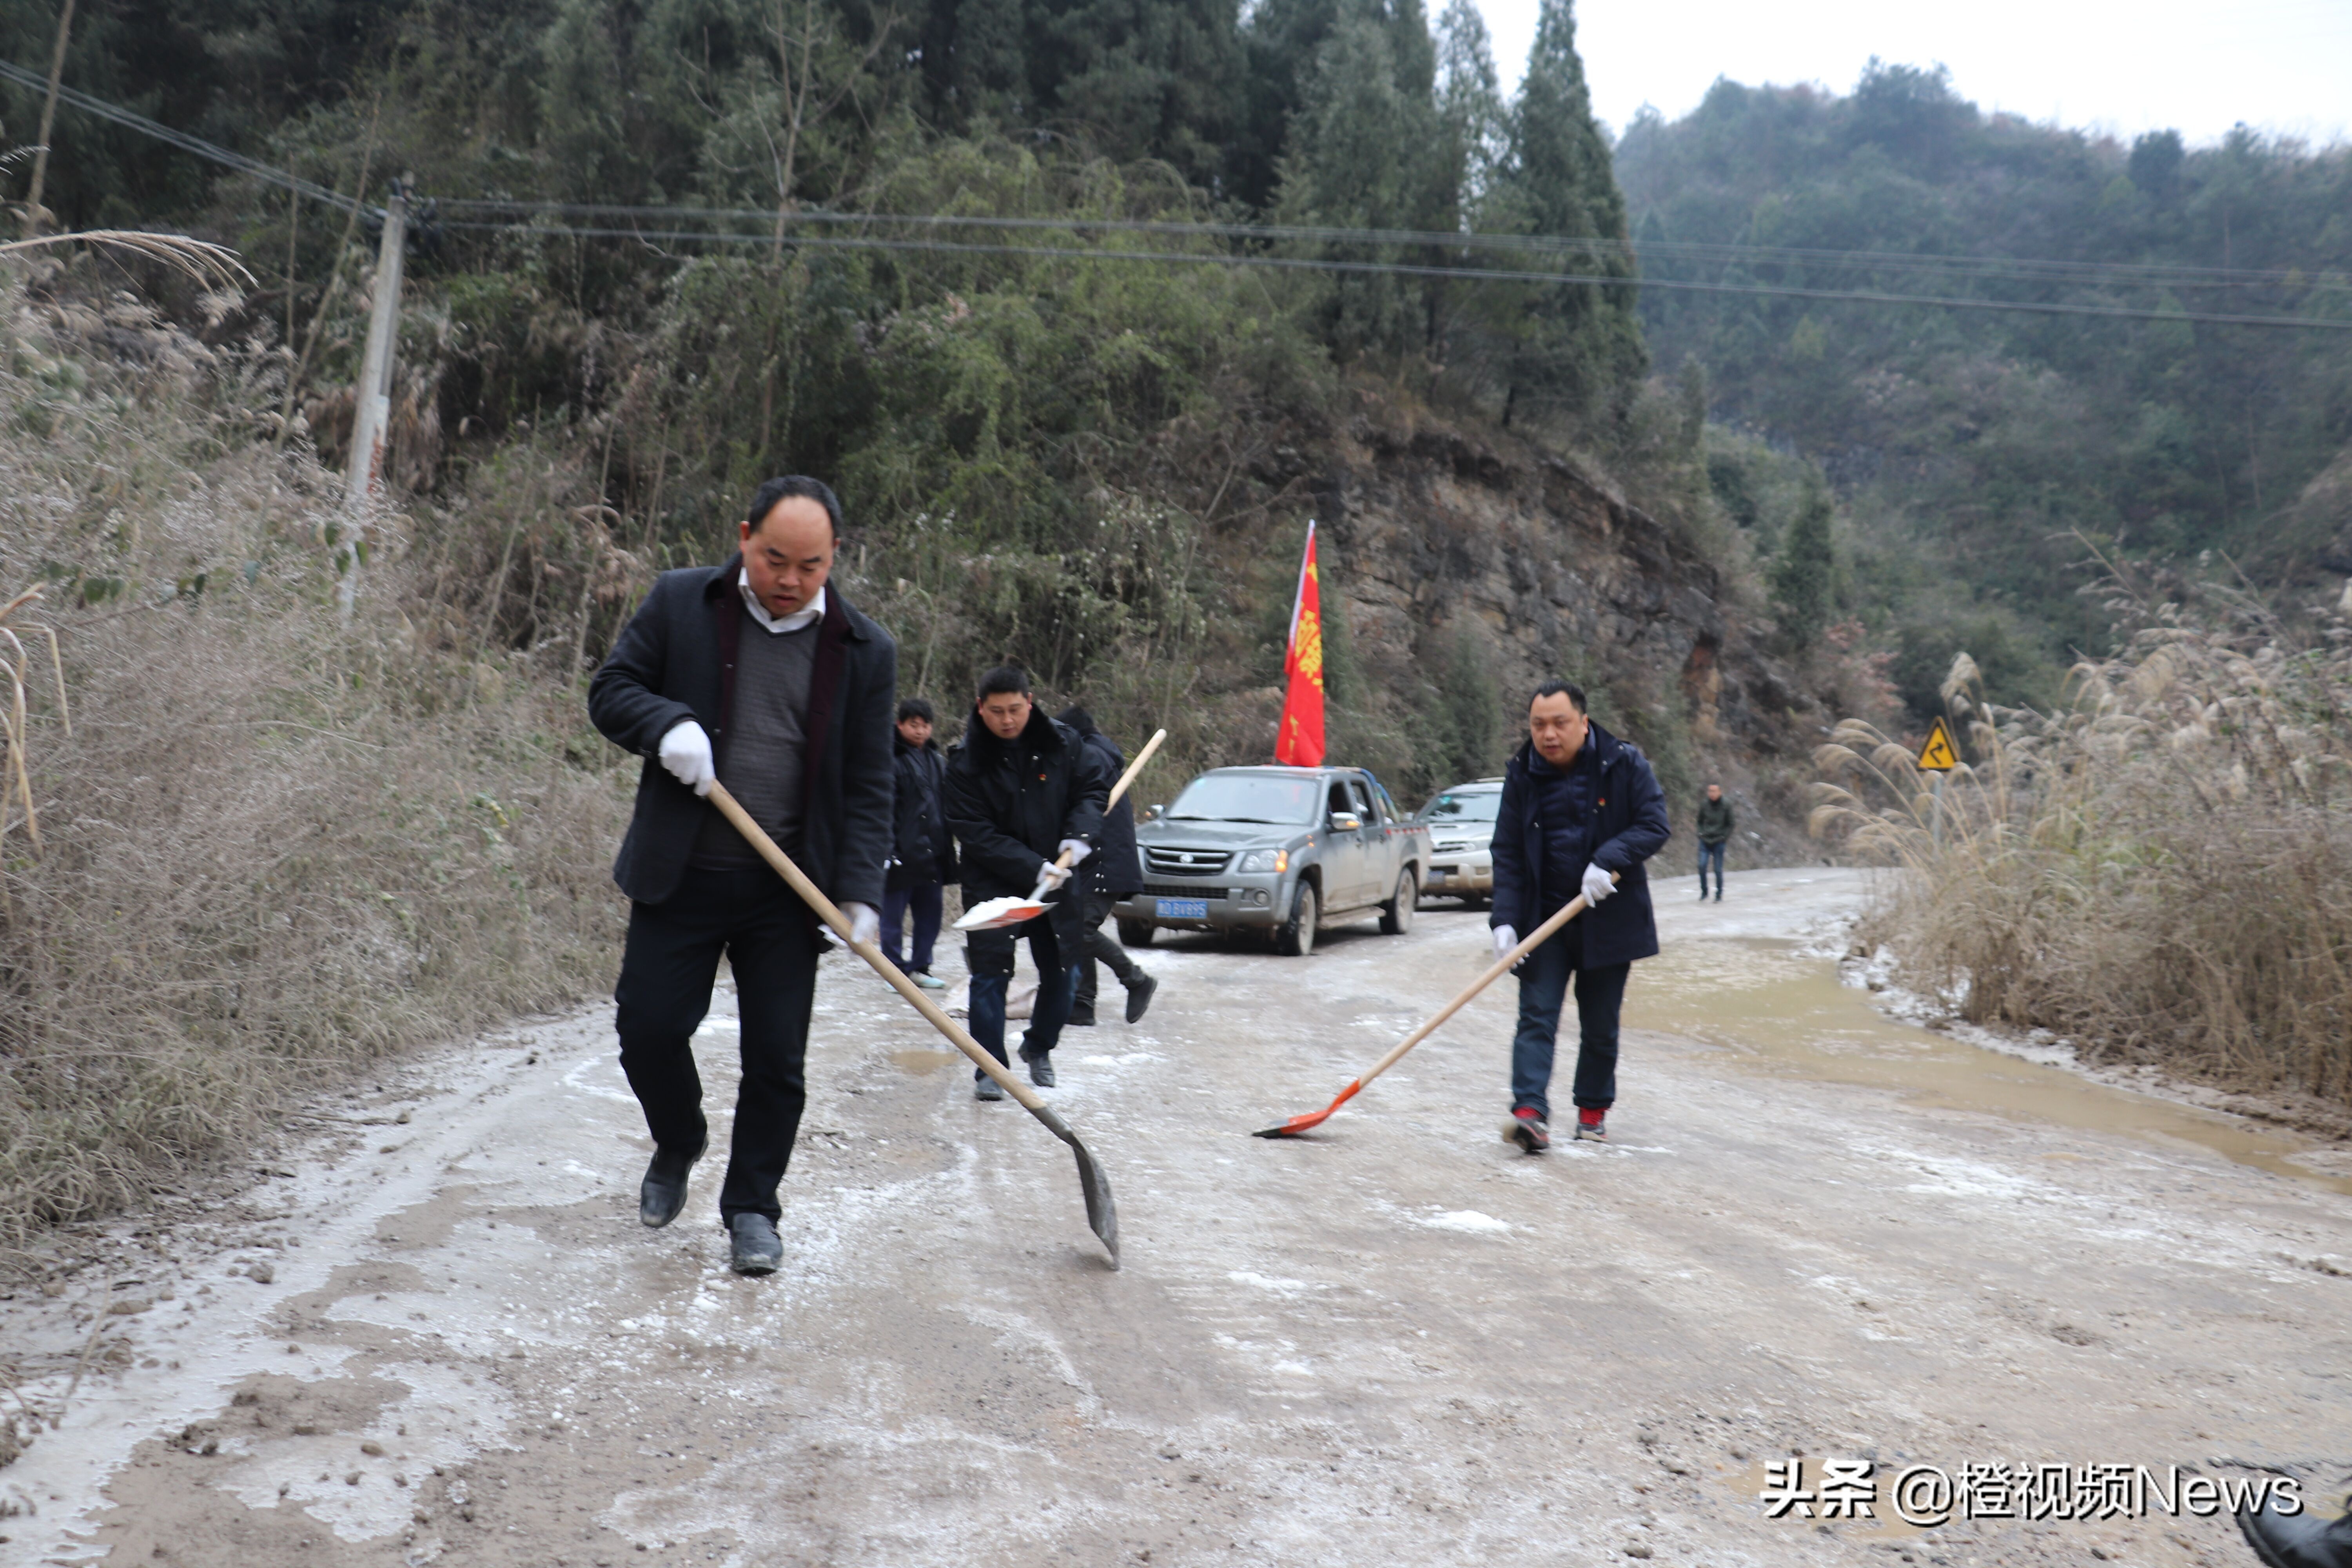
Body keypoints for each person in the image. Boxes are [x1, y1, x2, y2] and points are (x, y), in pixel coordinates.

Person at [587, 475, 895, 1275]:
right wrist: (667, 726)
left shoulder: (864, 651)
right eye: (773, 559)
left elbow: (869, 782)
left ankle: (753, 1208)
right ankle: (680, 1136)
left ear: (834, 560)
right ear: (744, 537)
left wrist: (859, 891)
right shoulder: (680, 603)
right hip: (682, 873)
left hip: (786, 892)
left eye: (810, 566)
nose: (789, 580)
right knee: (648, 1027)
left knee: (776, 1060)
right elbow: (611, 691)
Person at [1488, 681, 1670, 1153]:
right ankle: (1529, 1113)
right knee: (1536, 1017)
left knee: (1601, 1024)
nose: (1548, 734)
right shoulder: (1521, 774)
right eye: (1538, 725)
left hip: (1609, 920)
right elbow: (1507, 850)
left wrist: (1608, 857)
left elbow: (1654, 824)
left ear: (1583, 723)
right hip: (1543, 920)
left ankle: (1592, 1112)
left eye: (1559, 723)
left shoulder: (1624, 763)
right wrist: (1505, 919)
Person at [943, 668, 1109, 1100]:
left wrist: (1079, 837)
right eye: (996, 711)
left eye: (1015, 709)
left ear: (1030, 701)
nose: (1007, 720)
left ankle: (1038, 1046)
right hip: (992, 883)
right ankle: (990, 1068)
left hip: (1059, 875)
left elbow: (1092, 791)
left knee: (1062, 973)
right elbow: (973, 830)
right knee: (990, 975)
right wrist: (1033, 866)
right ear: (982, 708)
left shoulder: (1062, 743)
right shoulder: (965, 761)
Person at [1054, 706, 1158, 1027]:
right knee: (1076, 926)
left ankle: (1136, 980)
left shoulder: (1093, 757)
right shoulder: (1095, 754)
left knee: (1079, 929)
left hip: (1105, 860)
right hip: (1095, 860)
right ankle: (1083, 1004)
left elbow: (1082, 806)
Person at [884, 697, 956, 989]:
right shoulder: (889, 759)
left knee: (930, 914)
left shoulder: (938, 761)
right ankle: (892, 971)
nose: (920, 731)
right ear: (900, 724)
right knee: (892, 916)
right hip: (901, 851)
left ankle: (920, 967)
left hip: (933, 852)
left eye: (925, 725)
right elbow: (883, 808)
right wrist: (887, 848)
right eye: (914, 725)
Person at [1696, 783, 1733, 902]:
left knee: (1718, 869)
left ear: (1720, 792)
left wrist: (1724, 837)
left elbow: (1731, 823)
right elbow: (1699, 821)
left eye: (1714, 791)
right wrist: (1700, 833)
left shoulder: (1726, 805)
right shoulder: (1704, 804)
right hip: (1705, 840)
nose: (1712, 794)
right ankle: (1704, 891)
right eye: (1710, 791)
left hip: (1719, 841)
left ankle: (1719, 893)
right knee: (1702, 866)